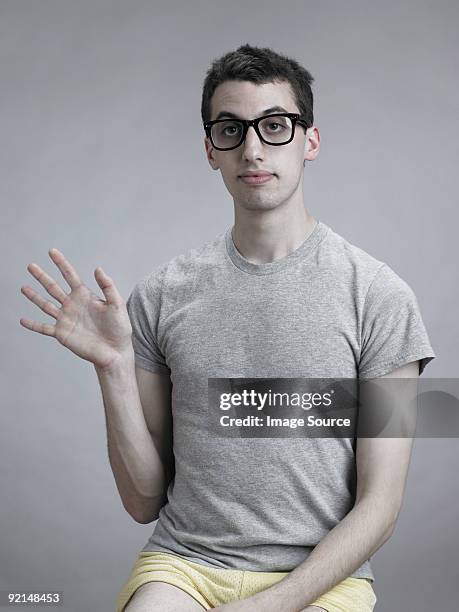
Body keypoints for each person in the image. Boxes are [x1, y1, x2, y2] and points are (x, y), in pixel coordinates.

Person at [20, 44, 436, 612]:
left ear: (310, 141)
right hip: (186, 565)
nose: (253, 148)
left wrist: (272, 604)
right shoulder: (162, 295)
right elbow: (144, 501)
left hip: (322, 578)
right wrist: (113, 368)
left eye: (275, 126)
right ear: (209, 149)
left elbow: (382, 504)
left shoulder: (383, 298)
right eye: (230, 130)